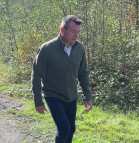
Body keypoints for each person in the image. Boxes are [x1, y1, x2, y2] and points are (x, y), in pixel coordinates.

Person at [31, 15, 93, 143]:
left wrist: (88, 96)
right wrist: (38, 101)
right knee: (64, 129)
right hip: (53, 95)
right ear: (62, 30)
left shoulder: (79, 48)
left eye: (78, 32)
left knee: (71, 130)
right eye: (73, 32)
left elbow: (83, 73)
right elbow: (37, 75)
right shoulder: (47, 49)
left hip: (71, 96)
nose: (76, 36)